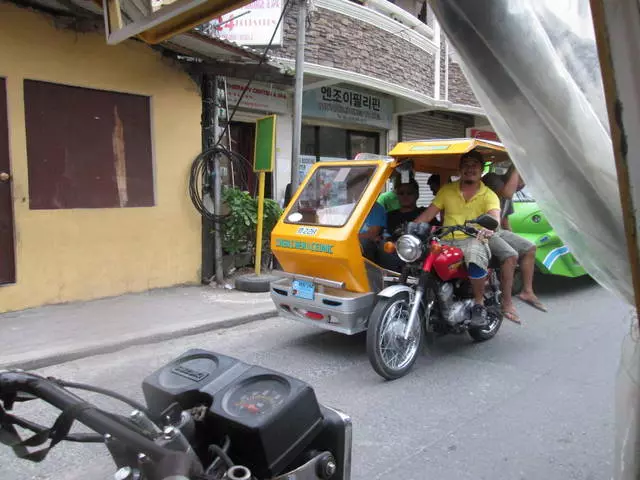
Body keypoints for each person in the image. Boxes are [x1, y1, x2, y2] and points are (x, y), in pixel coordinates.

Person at [415, 150, 501, 327]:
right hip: (446, 239)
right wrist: (410, 229)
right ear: (460, 169)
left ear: (481, 169)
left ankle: (479, 304)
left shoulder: (489, 195)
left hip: (473, 238)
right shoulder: (447, 190)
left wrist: (487, 228)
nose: (470, 169)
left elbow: (495, 218)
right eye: (466, 165)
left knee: (474, 255)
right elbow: (428, 214)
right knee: (418, 254)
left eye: (474, 165)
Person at [483, 166, 546, 320]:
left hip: (498, 231)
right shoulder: (493, 178)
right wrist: (517, 164)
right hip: (483, 229)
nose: (521, 186)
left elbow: (505, 221)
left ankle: (527, 291)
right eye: (520, 181)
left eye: (524, 183)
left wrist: (516, 241)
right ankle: (507, 303)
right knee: (510, 255)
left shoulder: (509, 194)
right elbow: (507, 192)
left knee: (530, 248)